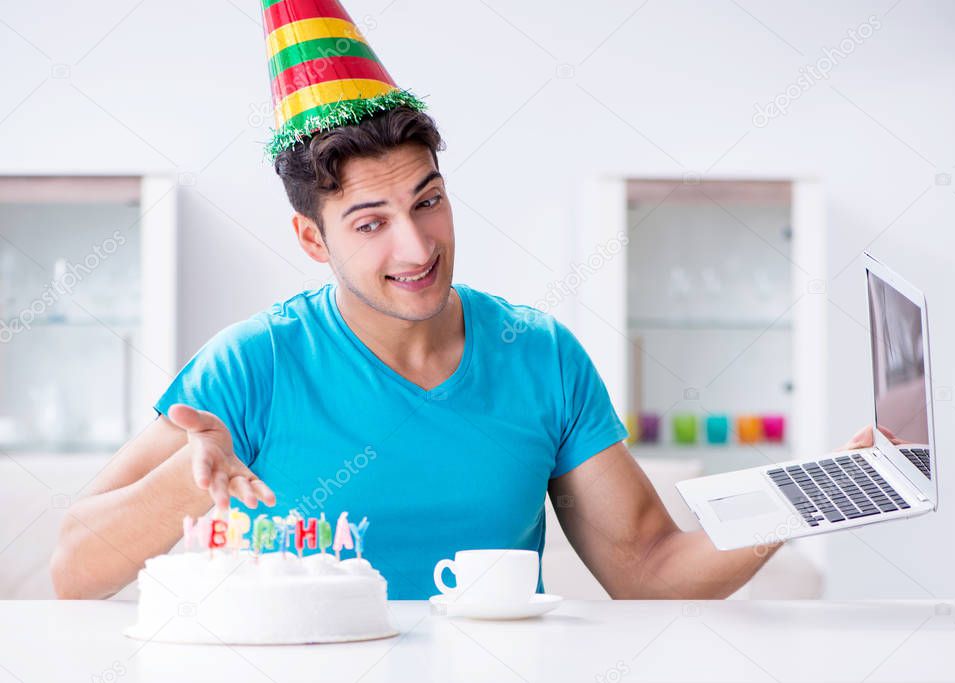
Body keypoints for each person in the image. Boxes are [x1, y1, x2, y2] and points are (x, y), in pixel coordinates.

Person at [50, 0, 871, 600]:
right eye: (369, 222)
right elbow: (72, 570)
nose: (416, 247)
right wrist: (191, 486)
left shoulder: (538, 355)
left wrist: (817, 494)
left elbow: (648, 565)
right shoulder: (253, 363)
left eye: (428, 200)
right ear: (312, 240)